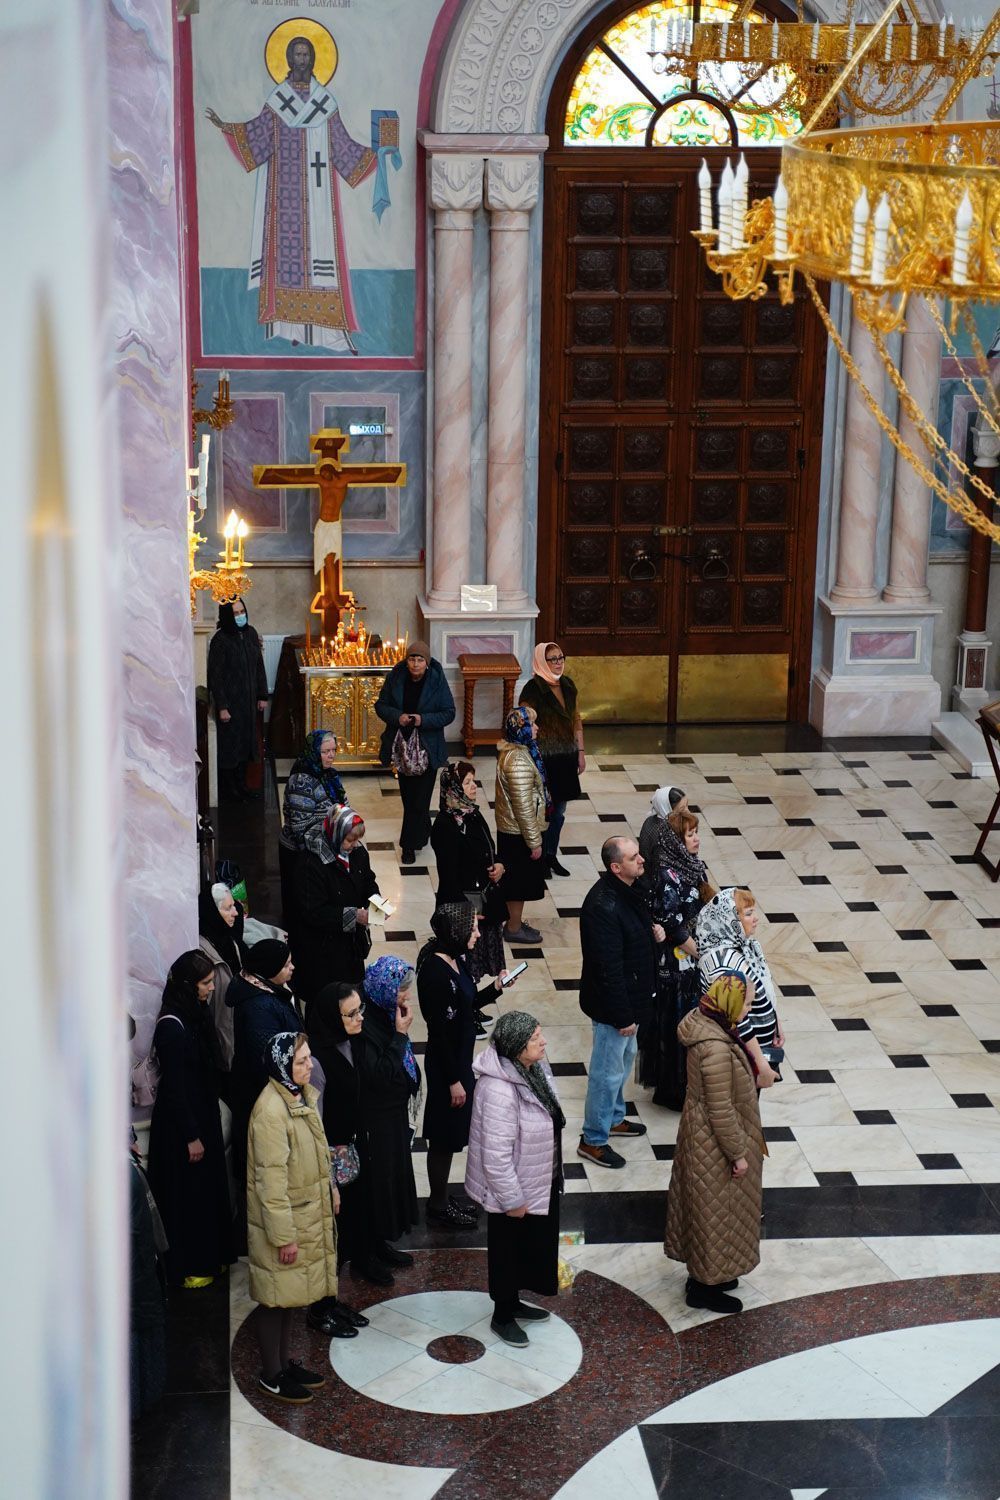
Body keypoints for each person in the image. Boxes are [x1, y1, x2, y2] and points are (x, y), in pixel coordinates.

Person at [665, 972, 766, 1315]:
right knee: (714, 1213)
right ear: (730, 1003)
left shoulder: (708, 1023)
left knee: (712, 1210)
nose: (748, 1010)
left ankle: (712, 1275)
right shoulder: (716, 1049)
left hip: (703, 1136)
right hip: (714, 1143)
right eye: (746, 1004)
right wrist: (737, 1154)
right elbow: (720, 1108)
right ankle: (703, 1288)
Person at [464, 1011, 564, 1348]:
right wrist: (513, 1199)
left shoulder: (533, 1069)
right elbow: (495, 1156)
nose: (543, 1042)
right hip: (513, 1190)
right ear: (517, 1046)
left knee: (528, 1247)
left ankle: (514, 1302)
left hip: (536, 1179)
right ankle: (502, 1316)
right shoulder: (498, 1090)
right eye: (535, 1038)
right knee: (507, 1251)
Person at [246, 1033, 336, 1404]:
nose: (309, 1065)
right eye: (300, 1061)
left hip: (303, 1215)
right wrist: (283, 1237)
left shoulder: (297, 1097)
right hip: (285, 1223)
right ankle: (271, 1375)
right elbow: (271, 1184)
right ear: (282, 1065)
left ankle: (283, 1364)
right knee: (274, 1298)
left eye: (308, 1057)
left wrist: (330, 1188)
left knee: (289, 1294)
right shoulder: (271, 1112)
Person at [417, 903, 513, 1230]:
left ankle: (442, 1197)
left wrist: (495, 989)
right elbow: (439, 1033)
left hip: (459, 1059)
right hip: (447, 1065)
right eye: (472, 928)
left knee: (452, 1132)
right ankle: (438, 1205)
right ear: (455, 931)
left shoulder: (455, 958)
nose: (477, 934)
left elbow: (466, 1003)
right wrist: (453, 1081)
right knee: (443, 1135)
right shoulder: (434, 973)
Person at [146, 950, 234, 1289]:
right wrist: (191, 1135)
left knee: (207, 1191)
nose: (211, 988)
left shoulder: (194, 1012)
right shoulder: (172, 1026)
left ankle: (211, 1256)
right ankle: (190, 1265)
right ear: (187, 984)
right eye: (205, 983)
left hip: (202, 1114)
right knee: (189, 1197)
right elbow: (175, 1088)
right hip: (182, 1126)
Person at [577, 837, 663, 1169]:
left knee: (623, 1064)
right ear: (616, 867)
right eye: (633, 857)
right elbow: (608, 968)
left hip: (633, 999)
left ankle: (613, 1118)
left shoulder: (630, 890)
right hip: (614, 1008)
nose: (642, 860)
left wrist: (653, 935)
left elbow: (633, 939)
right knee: (606, 1074)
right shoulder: (603, 906)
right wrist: (622, 1015)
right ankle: (593, 1139)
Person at [303, 982, 373, 1336]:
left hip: (351, 1151)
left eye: (361, 1010)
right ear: (333, 1017)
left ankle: (332, 1299)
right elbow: (314, 1121)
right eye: (351, 1013)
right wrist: (327, 1176)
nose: (360, 1018)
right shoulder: (316, 1061)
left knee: (344, 1233)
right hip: (330, 1158)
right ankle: (319, 1310)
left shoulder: (350, 1041)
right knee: (328, 1237)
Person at [637, 811, 714, 1110]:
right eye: (690, 835)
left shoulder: (693, 866)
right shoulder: (667, 876)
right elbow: (672, 925)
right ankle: (673, 1090)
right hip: (676, 965)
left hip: (691, 960)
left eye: (696, 833)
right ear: (675, 841)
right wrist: (701, 954)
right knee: (675, 1022)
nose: (696, 839)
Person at [351, 955, 421, 1284]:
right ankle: (365, 1256)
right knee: (375, 1185)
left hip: (392, 1114)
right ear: (384, 990)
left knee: (391, 1178)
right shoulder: (365, 1024)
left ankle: (380, 1244)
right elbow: (378, 1074)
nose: (406, 996)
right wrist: (401, 1035)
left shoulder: (382, 1012)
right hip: (374, 1119)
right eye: (401, 991)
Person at [227, 939, 301, 1204]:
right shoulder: (259, 1007)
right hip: (264, 1097)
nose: (292, 967)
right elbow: (270, 1058)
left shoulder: (268, 991)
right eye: (286, 964)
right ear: (269, 969)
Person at [431, 762, 506, 1009]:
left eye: (473, 781)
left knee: (478, 964)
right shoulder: (444, 825)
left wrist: (499, 865)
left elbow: (488, 846)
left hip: (484, 901)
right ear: (453, 788)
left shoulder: (472, 813)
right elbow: (448, 875)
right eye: (467, 782)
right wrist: (467, 913)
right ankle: (468, 1010)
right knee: (465, 967)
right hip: (463, 909)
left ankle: (475, 1006)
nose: (474, 786)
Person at [375, 641, 456, 864]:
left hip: (427, 748)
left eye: (420, 660)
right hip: (402, 747)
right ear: (406, 660)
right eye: (412, 659)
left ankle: (408, 846)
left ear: (427, 663)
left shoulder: (436, 680)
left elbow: (449, 712)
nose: (415, 664)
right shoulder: (396, 676)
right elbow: (380, 705)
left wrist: (422, 720)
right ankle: (422, 828)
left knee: (420, 800)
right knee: (410, 798)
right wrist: (398, 716)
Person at [696, 887, 783, 1089]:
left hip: (758, 1050)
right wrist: (761, 1065)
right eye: (748, 914)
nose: (756, 918)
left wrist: (776, 1025)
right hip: (744, 1057)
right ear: (729, 920)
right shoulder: (722, 964)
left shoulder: (740, 947)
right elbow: (737, 1020)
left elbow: (761, 990)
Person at [292, 805, 379, 1002]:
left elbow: (368, 880)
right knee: (328, 1001)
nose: (355, 845)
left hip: (351, 946)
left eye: (357, 839)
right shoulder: (310, 864)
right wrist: (354, 916)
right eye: (350, 840)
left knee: (352, 997)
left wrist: (377, 902)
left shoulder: (358, 853)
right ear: (335, 834)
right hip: (323, 951)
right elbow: (313, 912)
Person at [518, 642, 585, 878]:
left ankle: (551, 855)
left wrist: (580, 751)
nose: (558, 662)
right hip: (543, 758)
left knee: (559, 811)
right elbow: (525, 722)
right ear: (541, 662)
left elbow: (576, 719)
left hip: (566, 756)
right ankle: (538, 859)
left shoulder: (568, 685)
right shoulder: (532, 689)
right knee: (543, 811)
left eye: (560, 657)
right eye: (552, 659)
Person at [278, 730, 347, 930]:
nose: (331, 756)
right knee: (303, 910)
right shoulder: (302, 780)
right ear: (314, 752)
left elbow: (342, 806)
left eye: (333, 750)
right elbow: (301, 829)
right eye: (325, 752)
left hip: (321, 849)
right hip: (301, 854)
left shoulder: (329, 775)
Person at [495, 705, 550, 945]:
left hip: (516, 830)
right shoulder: (517, 760)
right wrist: (534, 841)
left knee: (518, 882)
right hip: (518, 833)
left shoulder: (519, 750)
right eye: (532, 724)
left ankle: (514, 922)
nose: (536, 728)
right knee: (518, 884)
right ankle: (514, 928)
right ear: (521, 729)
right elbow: (523, 807)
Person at [207, 598, 269, 804]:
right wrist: (222, 706)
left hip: (249, 704)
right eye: (235, 613)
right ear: (227, 616)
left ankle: (243, 787)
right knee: (231, 748)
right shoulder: (220, 640)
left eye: (242, 611)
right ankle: (230, 790)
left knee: (247, 746)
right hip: (231, 705)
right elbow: (215, 677)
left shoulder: (250, 633)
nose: (240, 616)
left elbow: (259, 666)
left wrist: (262, 695)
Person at [198, 883, 248, 1069]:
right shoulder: (201, 952)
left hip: (236, 1041)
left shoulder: (230, 942)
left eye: (233, 906)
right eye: (228, 908)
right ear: (212, 912)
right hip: (219, 1049)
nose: (235, 913)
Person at [637, 785, 690, 881]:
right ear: (668, 810)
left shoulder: (651, 819)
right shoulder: (667, 835)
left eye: (687, 805)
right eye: (682, 809)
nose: (688, 812)